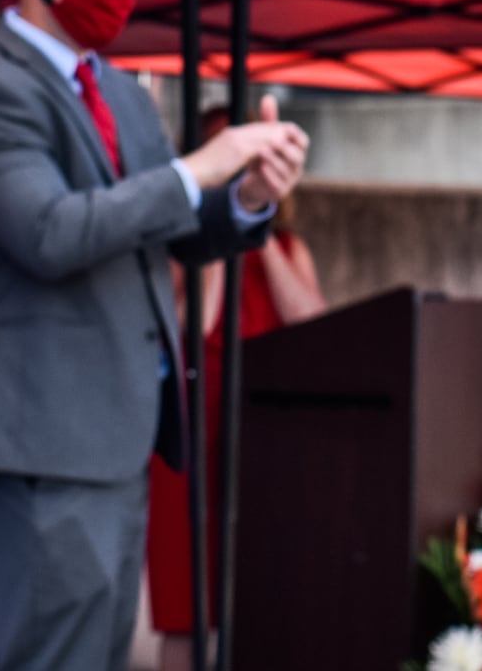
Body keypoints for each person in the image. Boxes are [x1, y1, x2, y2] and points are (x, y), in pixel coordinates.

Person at [0, 0, 309, 671]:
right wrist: (200, 166)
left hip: (119, 437)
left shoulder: (122, 94)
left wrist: (246, 196)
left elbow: (164, 226)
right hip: (42, 443)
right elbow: (51, 234)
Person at [146, 106, 326, 671]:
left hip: (266, 438)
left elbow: (313, 324)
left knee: (267, 589)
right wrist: (222, 226)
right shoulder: (186, 253)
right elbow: (195, 327)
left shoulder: (291, 249)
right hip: (197, 436)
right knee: (188, 599)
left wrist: (259, 224)